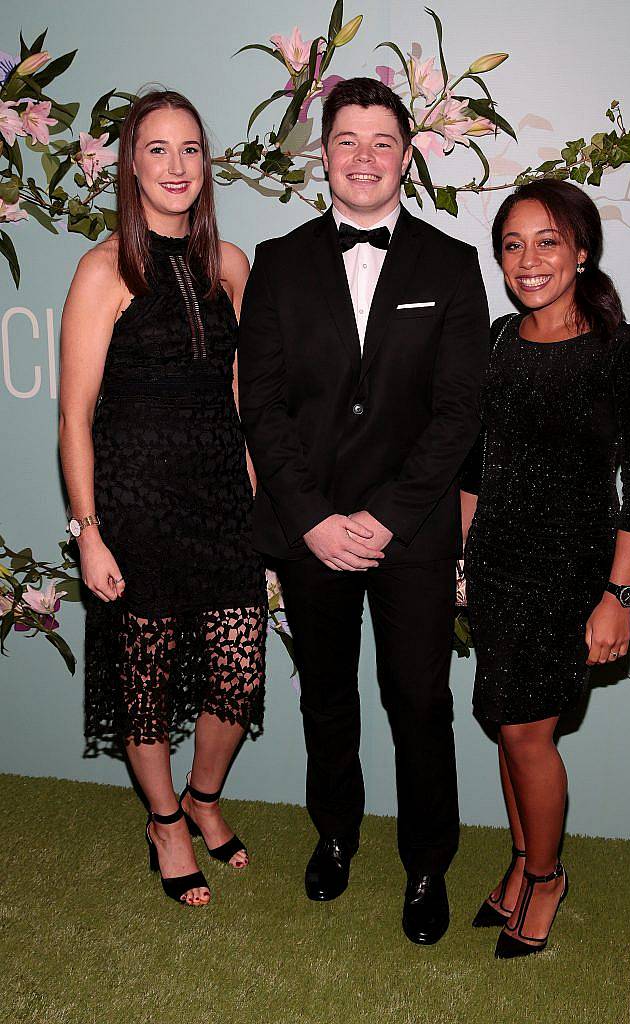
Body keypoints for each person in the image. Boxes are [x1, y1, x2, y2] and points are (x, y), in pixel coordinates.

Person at [238, 77, 490, 944]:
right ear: (325, 156)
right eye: (347, 140)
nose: (364, 158)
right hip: (309, 530)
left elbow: (459, 411)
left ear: (407, 157)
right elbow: (260, 407)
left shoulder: (451, 266)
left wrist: (385, 518)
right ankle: (334, 834)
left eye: (382, 142)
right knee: (328, 699)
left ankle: (427, 864)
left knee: (417, 699)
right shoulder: (277, 260)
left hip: (410, 532)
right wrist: (309, 518)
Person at [59, 90, 266, 907]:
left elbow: (245, 398)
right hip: (136, 503)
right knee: (142, 684)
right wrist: (89, 532)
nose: (176, 166)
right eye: (157, 150)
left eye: (189, 149)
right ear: (131, 165)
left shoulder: (233, 267)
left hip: (221, 501)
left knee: (237, 675)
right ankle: (164, 821)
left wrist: (255, 495)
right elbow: (74, 414)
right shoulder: (105, 267)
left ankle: (203, 797)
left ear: (205, 164)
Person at [461, 178, 630, 957]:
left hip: (570, 574)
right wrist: (463, 560)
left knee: (525, 734)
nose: (528, 259)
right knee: (506, 728)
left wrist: (618, 596)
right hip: (494, 567)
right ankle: (522, 862)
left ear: (582, 252)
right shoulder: (494, 341)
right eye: (512, 245)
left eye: (547, 241)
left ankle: (547, 878)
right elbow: (475, 469)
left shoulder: (625, 350)